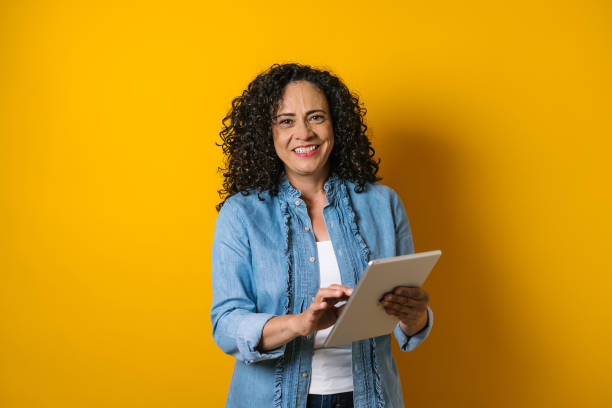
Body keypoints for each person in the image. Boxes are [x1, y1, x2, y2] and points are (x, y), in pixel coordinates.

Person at [211, 63, 433, 408]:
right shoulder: (241, 215)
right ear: (265, 133)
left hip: (370, 399)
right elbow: (226, 326)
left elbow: (409, 324)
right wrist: (301, 323)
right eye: (286, 121)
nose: (304, 133)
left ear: (336, 125)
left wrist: (415, 315)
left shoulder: (384, 205)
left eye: (316, 117)